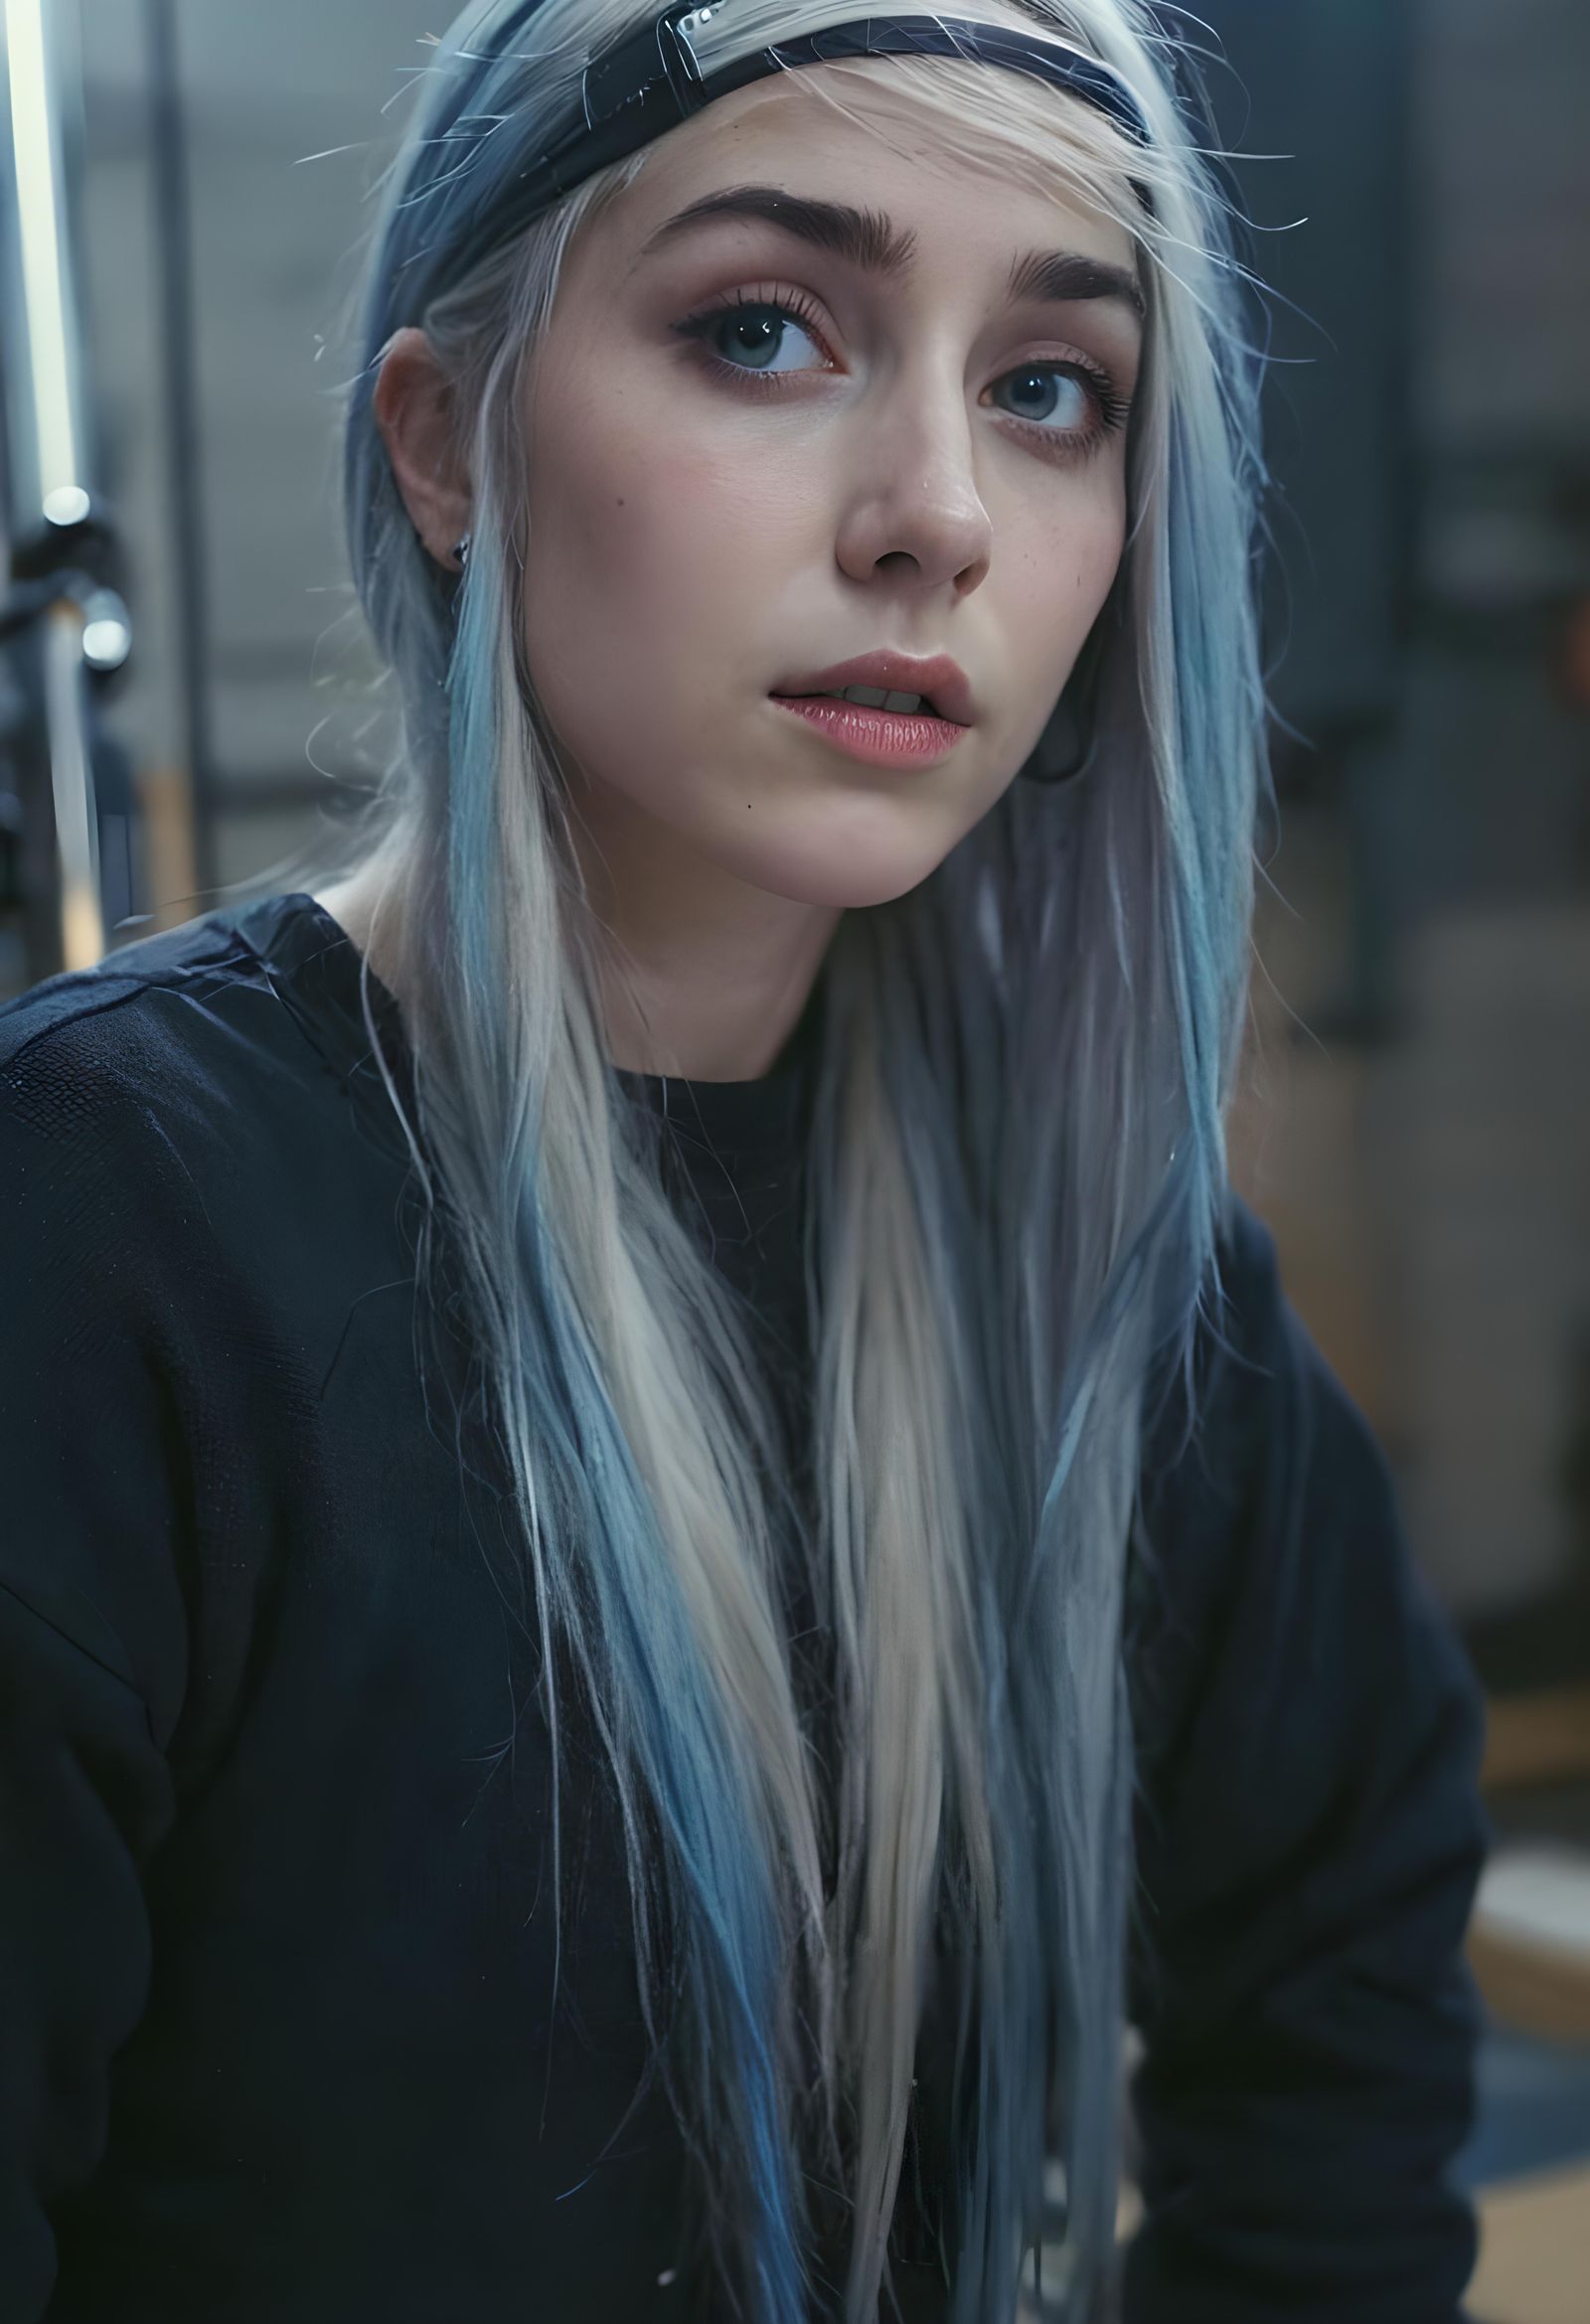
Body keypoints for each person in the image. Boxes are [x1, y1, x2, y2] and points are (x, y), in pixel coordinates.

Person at [0, 3, 1488, 2319]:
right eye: (765, 330)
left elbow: (1343, 1967)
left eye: (1049, 387)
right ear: (443, 444)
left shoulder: (1091, 1268)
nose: (938, 516)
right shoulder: (102, 1229)